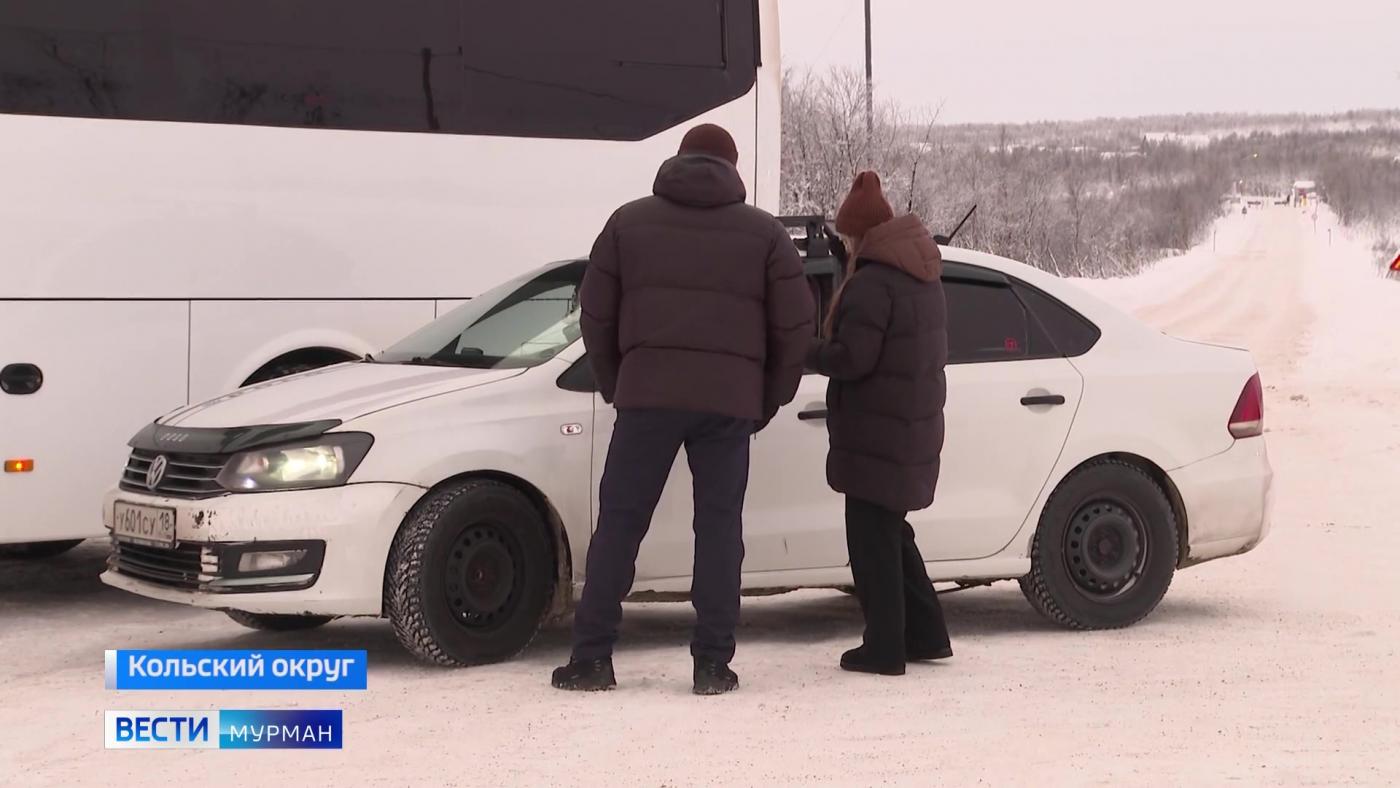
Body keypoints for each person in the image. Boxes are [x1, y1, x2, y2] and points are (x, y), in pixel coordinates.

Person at [551, 124, 815, 694]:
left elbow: (595, 313)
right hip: (728, 403)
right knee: (719, 529)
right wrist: (765, 398)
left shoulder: (627, 223)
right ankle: (712, 664)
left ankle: (592, 658)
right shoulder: (764, 234)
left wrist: (618, 383)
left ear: (680, 159)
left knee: (620, 524)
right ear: (732, 166)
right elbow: (796, 326)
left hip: (646, 396)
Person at [806, 171, 952, 676]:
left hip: (878, 431)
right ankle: (927, 634)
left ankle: (885, 648)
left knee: (872, 543)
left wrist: (809, 350)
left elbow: (853, 358)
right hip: (907, 424)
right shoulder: (920, 275)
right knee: (892, 534)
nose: (846, 246)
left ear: (860, 235)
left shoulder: (872, 283)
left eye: (848, 238)